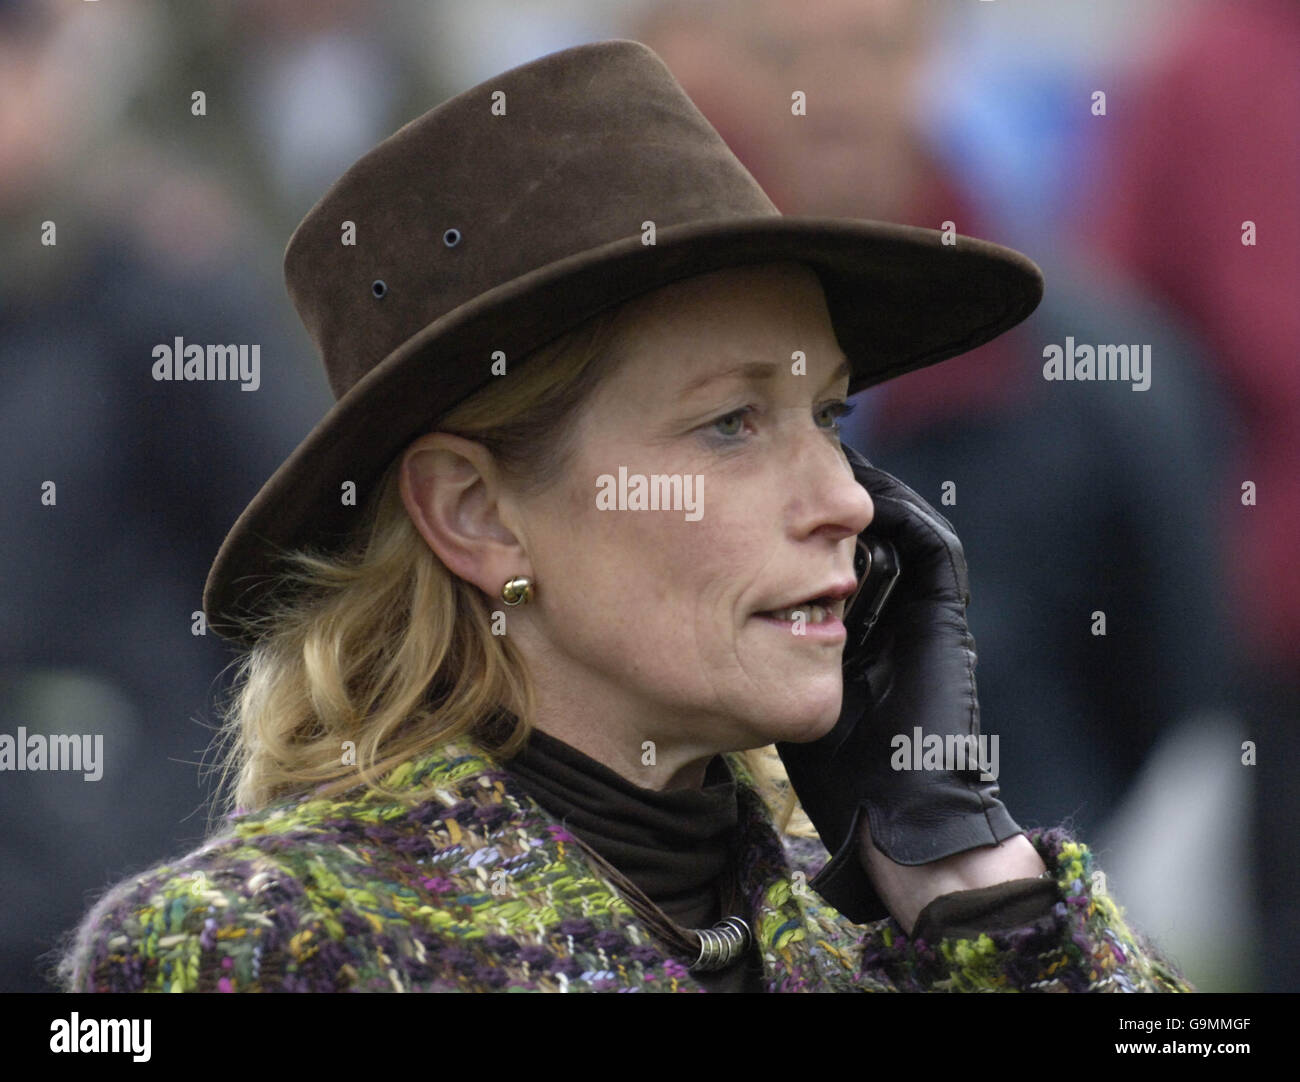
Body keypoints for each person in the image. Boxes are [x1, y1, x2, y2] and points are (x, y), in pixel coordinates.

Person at [54, 39, 1190, 993]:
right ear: (477, 514)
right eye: (731, 423)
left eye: (829, 412)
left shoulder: (885, 937)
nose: (847, 496)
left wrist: (963, 872)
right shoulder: (249, 949)